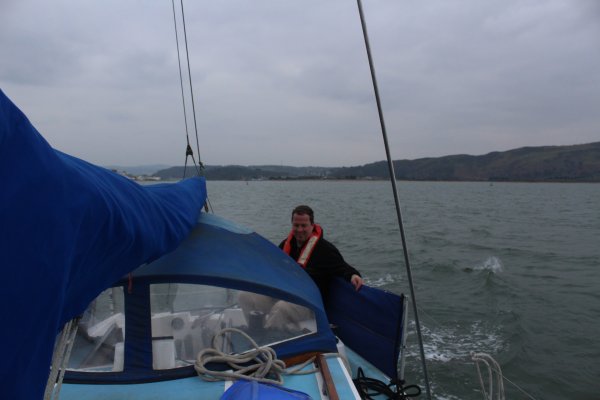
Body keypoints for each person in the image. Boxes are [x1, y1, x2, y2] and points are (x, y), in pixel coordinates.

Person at [239, 205, 363, 331]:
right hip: (285, 294)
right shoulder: (285, 245)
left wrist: (353, 275)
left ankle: (268, 340)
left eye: (304, 226)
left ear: (312, 225)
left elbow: (343, 267)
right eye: (296, 225)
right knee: (246, 297)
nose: (299, 229)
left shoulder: (325, 250)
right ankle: (255, 333)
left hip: (309, 303)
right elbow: (272, 266)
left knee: (281, 308)